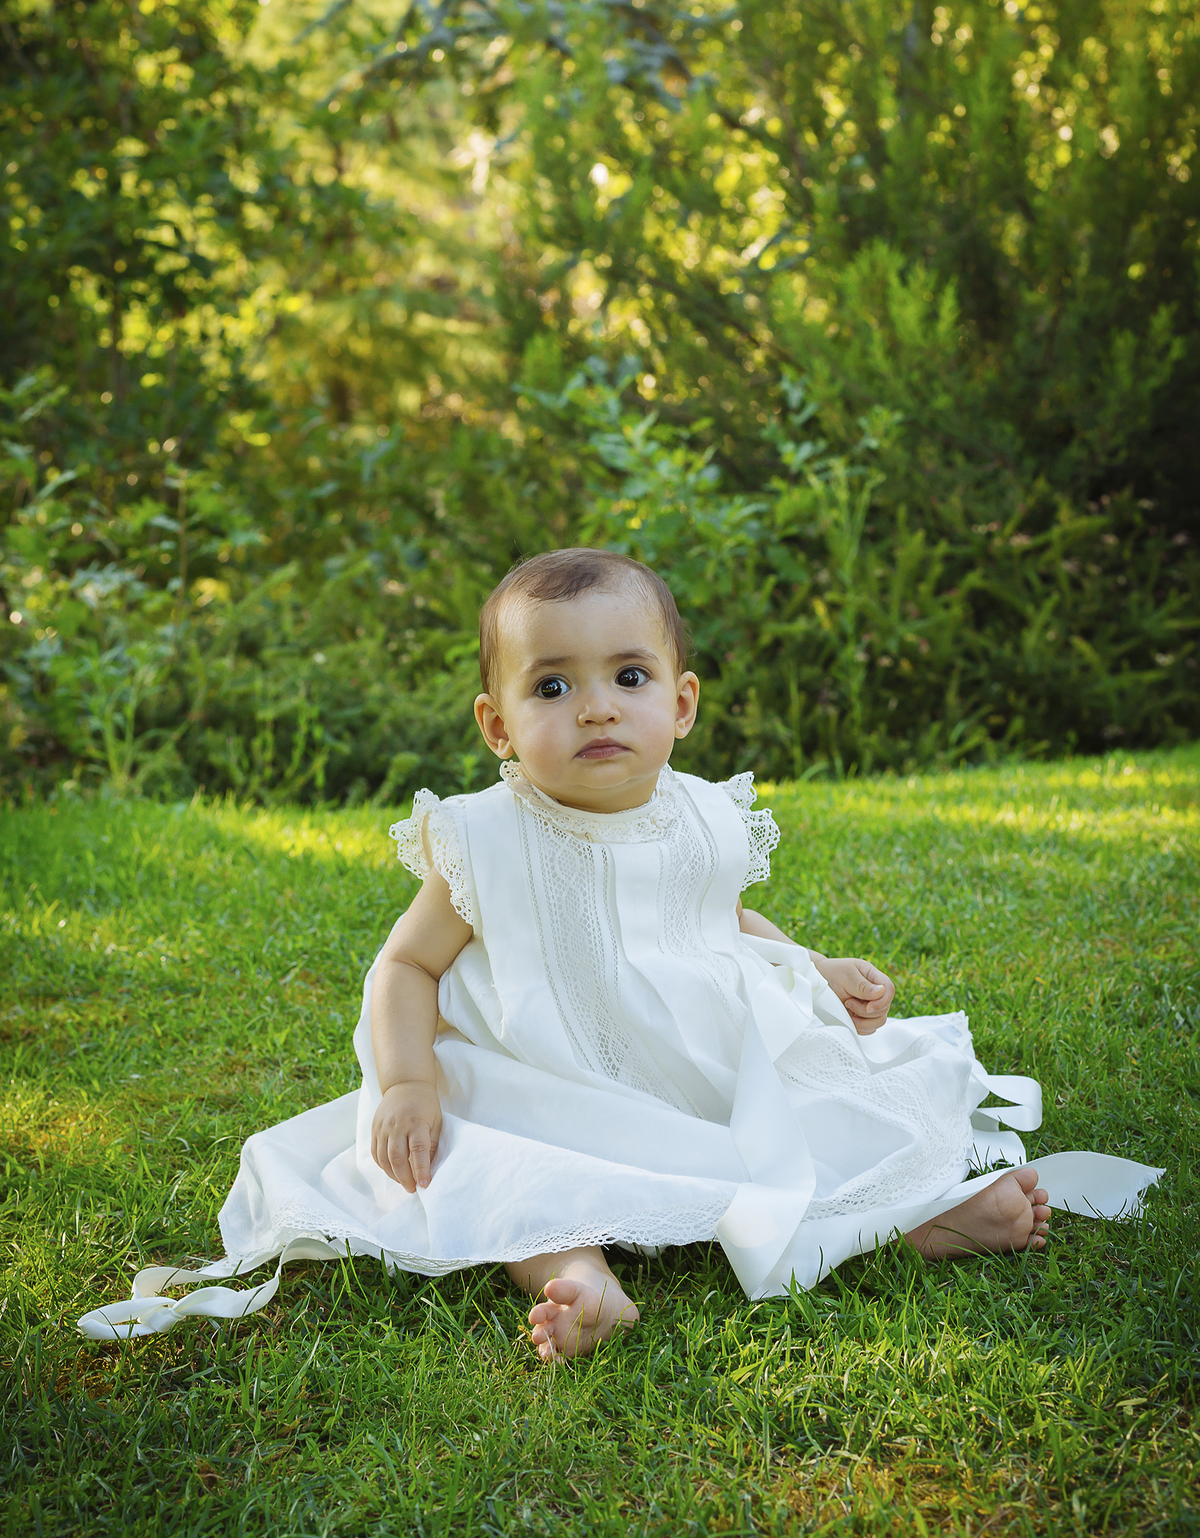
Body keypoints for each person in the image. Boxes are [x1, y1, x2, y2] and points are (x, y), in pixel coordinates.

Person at [77, 548, 1161, 1353]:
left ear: (680, 703)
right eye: (551, 685)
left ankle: (913, 1215)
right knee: (500, 1166)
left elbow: (716, 917)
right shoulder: (485, 837)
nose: (595, 704)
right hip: (540, 1077)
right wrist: (407, 1076)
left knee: (817, 1112)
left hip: (690, 1061)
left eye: (628, 677)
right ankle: (577, 1275)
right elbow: (406, 966)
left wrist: (813, 966)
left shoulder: (703, 815)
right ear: (498, 725)